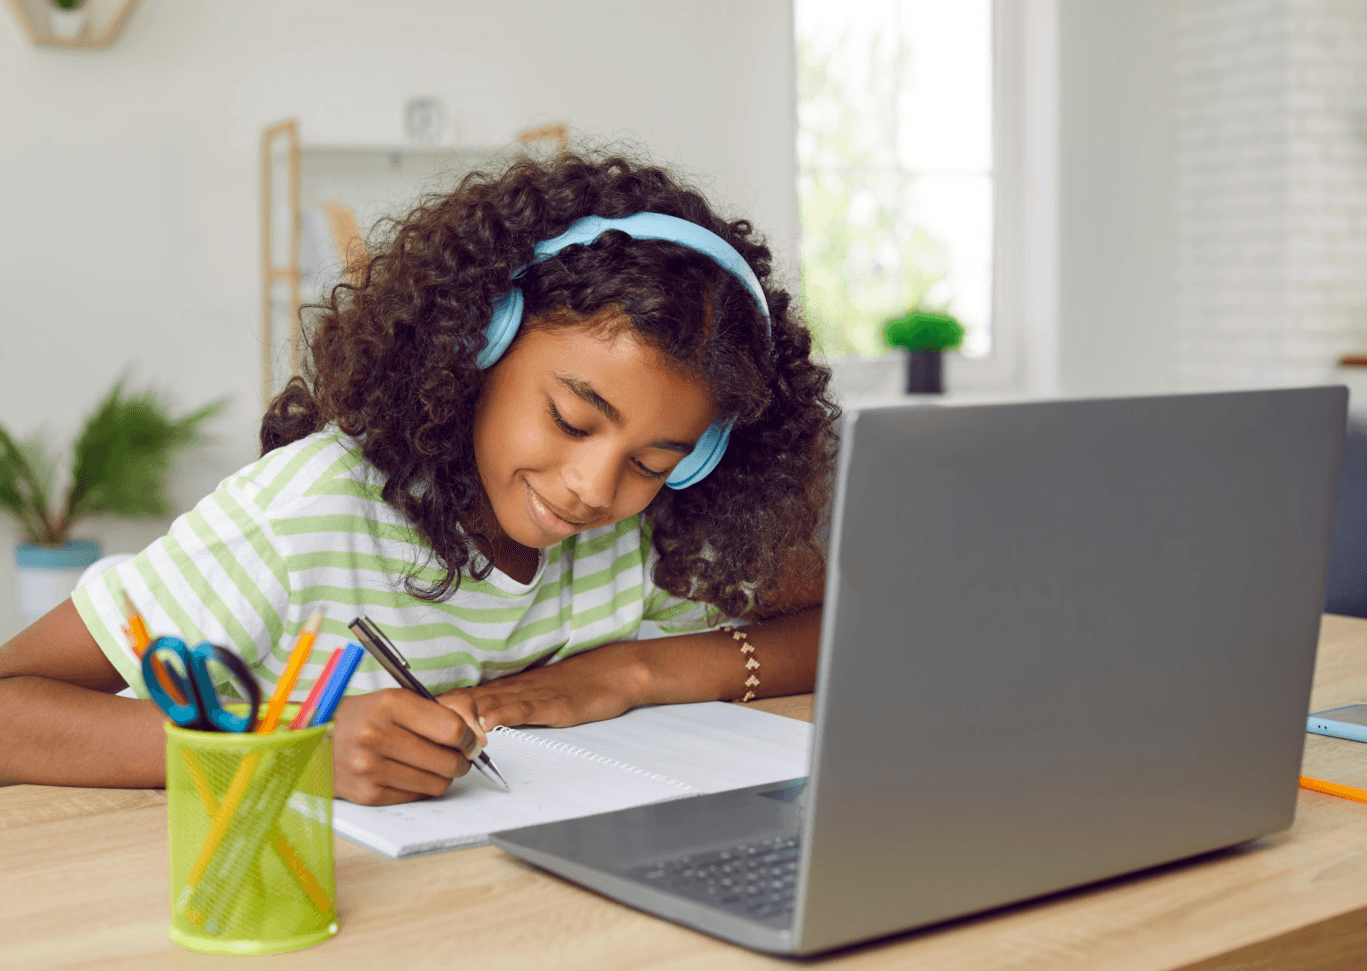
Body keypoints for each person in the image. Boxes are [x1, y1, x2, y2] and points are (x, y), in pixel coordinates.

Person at [0, 151, 839, 806]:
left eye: (655, 459)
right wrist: (285, 749)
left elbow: (837, 624)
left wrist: (627, 674)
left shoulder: (644, 531)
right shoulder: (305, 513)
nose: (592, 486)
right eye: (572, 420)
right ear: (478, 341)